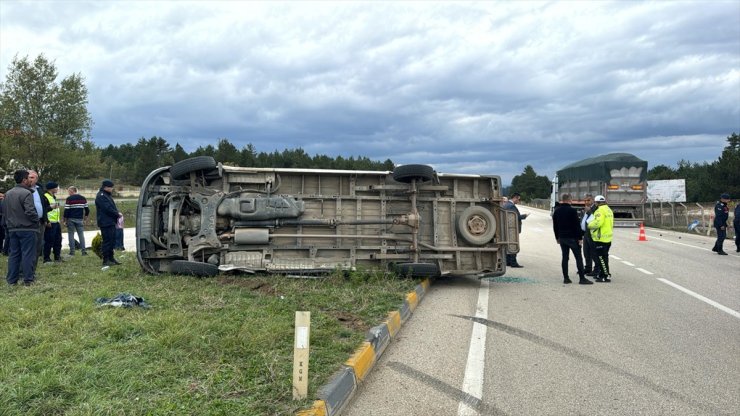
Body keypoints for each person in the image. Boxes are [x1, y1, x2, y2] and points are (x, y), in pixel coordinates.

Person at [3, 170, 40, 286]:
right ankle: (28, 279)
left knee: (14, 254)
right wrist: (36, 220)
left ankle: (11, 280)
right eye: (29, 178)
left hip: (12, 228)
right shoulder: (26, 193)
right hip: (27, 228)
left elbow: (5, 211)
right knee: (28, 254)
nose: (30, 180)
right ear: (24, 180)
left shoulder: (8, 193)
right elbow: (30, 211)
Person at [553, 194, 593, 284]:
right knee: (578, 258)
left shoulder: (557, 211)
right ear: (569, 200)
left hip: (562, 238)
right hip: (572, 238)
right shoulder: (572, 211)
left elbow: (555, 226)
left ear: (562, 200)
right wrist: (579, 238)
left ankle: (566, 278)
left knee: (565, 258)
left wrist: (557, 237)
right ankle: (582, 279)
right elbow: (576, 226)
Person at [27, 170, 50, 273]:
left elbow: (44, 205)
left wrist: (45, 219)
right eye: (28, 177)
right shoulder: (24, 190)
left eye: (32, 178)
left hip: (40, 222)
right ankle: (24, 272)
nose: (30, 179)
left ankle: (32, 271)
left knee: (38, 247)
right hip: (28, 222)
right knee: (28, 248)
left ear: (36, 179)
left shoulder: (39, 190)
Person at [587, 195, 614, 282]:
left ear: (597, 203)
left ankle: (604, 276)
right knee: (605, 257)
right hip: (608, 237)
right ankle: (604, 274)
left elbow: (598, 223)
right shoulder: (609, 210)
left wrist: (589, 224)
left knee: (602, 258)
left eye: (595, 203)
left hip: (600, 238)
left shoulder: (600, 210)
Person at [96, 179, 122, 266]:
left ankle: (111, 258)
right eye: (110, 187)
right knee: (107, 241)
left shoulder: (107, 195)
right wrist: (117, 214)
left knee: (112, 240)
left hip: (110, 221)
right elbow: (107, 209)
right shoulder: (101, 196)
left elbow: (111, 207)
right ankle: (106, 260)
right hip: (105, 222)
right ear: (106, 187)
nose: (111, 189)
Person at [503, 192, 528, 268]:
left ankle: (508, 261)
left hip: (508, 228)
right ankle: (513, 263)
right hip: (512, 229)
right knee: (513, 244)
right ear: (515, 198)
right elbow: (516, 217)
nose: (518, 201)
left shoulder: (506, 204)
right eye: (518, 199)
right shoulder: (511, 206)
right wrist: (525, 216)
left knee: (508, 244)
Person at [63, 186, 89, 256]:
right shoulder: (83, 198)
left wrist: (64, 220)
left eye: (69, 191)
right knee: (81, 235)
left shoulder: (69, 199)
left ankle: (72, 252)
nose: (68, 193)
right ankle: (84, 251)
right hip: (80, 219)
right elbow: (87, 210)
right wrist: (85, 218)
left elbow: (67, 210)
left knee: (71, 235)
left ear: (72, 191)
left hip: (71, 219)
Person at [42, 181, 63, 263]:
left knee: (58, 240)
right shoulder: (45, 196)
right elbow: (44, 210)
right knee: (49, 241)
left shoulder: (53, 196)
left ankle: (57, 257)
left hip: (56, 222)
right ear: (52, 188)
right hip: (50, 222)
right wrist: (47, 221)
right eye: (56, 187)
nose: (58, 189)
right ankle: (46, 258)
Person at [580, 194, 599, 277]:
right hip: (585, 233)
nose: (586, 202)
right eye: (585, 200)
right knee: (586, 252)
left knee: (594, 252)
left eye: (588, 200)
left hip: (592, 233)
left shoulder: (595, 209)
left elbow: (595, 219)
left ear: (593, 200)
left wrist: (589, 211)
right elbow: (583, 220)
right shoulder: (585, 209)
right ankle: (588, 268)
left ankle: (597, 269)